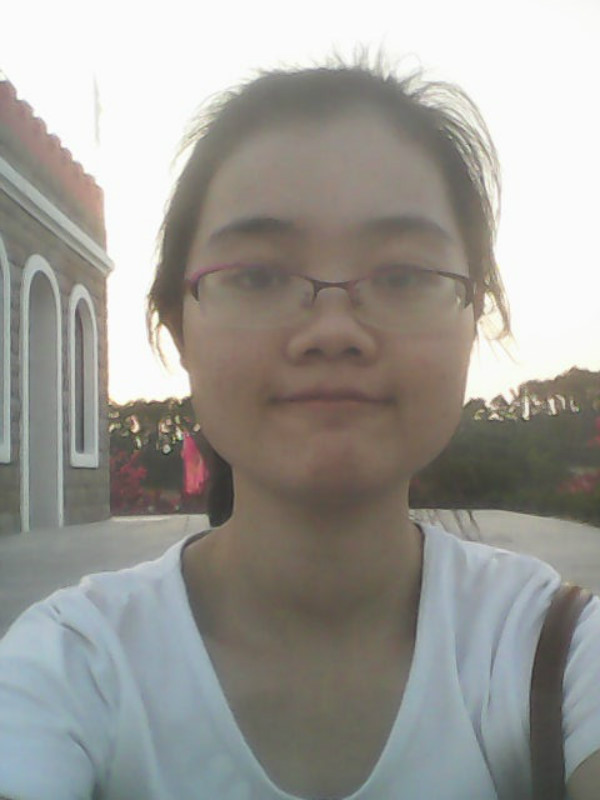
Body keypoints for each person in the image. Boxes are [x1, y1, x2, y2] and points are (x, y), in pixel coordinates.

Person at [1, 57, 599, 800]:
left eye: (403, 276)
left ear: (474, 322)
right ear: (177, 329)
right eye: (258, 276)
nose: (332, 331)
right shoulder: (69, 668)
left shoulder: (558, 652)